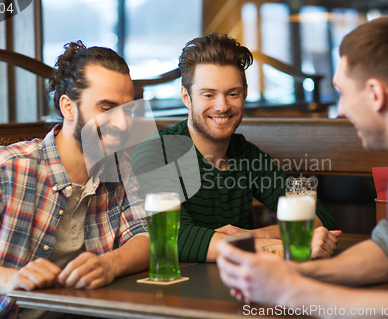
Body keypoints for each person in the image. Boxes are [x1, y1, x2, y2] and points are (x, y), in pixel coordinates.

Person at [216, 17, 388, 318]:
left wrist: (290, 291)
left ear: (375, 94)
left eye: (342, 92)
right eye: (208, 94)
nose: (340, 110)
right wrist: (297, 275)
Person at [0, 41, 149, 318]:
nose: (122, 124)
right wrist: (10, 280)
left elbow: (144, 236)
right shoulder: (3, 169)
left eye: (127, 111)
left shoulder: (121, 166)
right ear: (68, 107)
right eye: (106, 108)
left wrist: (111, 264)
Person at [132, 33, 340, 263]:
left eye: (232, 94)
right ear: (187, 98)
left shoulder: (247, 154)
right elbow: (174, 237)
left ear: (244, 95)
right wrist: (289, 243)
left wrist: (252, 236)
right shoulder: (156, 150)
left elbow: (318, 215)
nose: (222, 106)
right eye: (209, 94)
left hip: (243, 285)